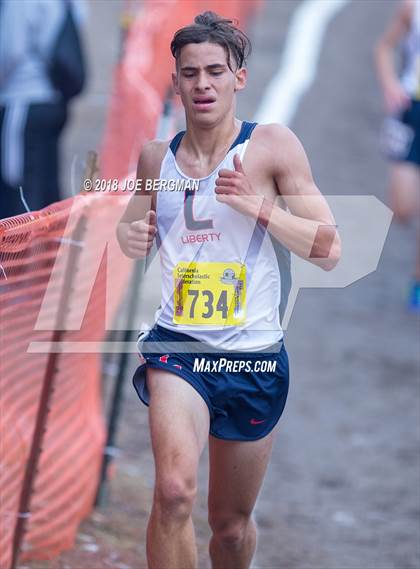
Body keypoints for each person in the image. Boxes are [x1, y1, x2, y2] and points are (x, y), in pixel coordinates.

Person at [117, 11, 340, 569]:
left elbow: (329, 249)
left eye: (215, 71)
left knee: (231, 528)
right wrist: (133, 233)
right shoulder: (154, 159)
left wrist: (258, 208)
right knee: (172, 493)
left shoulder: (270, 148)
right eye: (190, 73)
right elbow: (128, 230)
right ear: (176, 82)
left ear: (238, 77)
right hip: (179, 346)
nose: (202, 84)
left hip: (254, 359)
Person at [0, 0, 86, 220]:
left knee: (17, 186)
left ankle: (22, 253)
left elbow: (10, 50)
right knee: (46, 183)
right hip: (53, 99)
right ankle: (50, 252)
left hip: (23, 100)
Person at [375, 0, 420, 309]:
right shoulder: (412, 8)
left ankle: (418, 281)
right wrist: (391, 85)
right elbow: (384, 47)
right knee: (402, 208)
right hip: (412, 111)